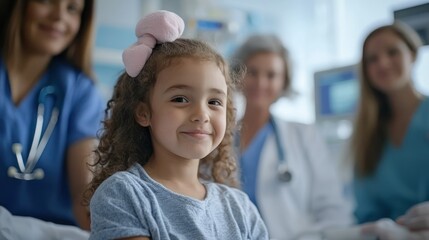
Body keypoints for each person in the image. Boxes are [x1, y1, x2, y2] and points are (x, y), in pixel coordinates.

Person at [85, 10, 268, 240]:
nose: (202, 114)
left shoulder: (241, 209)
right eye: (180, 99)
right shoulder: (123, 194)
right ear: (144, 113)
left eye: (214, 102)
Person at [231, 34, 354, 239]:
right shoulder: (219, 138)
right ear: (238, 75)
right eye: (252, 72)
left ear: (283, 82)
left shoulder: (304, 136)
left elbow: (332, 207)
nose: (261, 82)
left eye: (271, 75)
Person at [0, 0, 104, 231]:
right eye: (47, 1)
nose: (59, 17)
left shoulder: (80, 91)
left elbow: (83, 192)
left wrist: (113, 227)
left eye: (72, 9)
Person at [350, 22, 429, 240]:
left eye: (392, 52)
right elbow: (366, 213)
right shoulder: (367, 134)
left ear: (412, 54)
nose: (383, 63)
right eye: (372, 59)